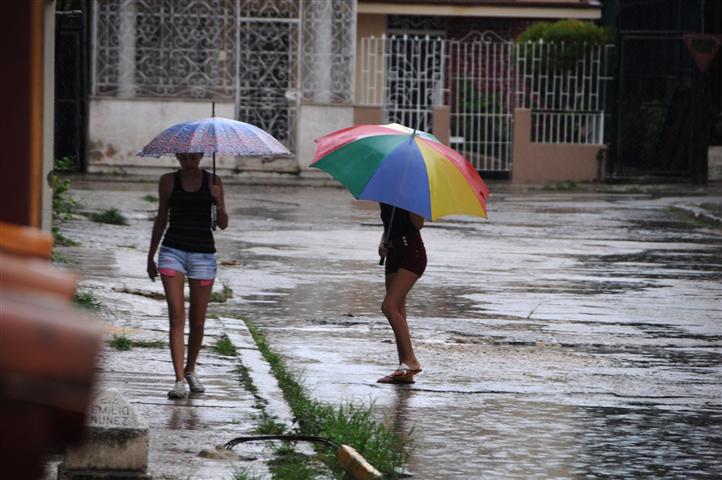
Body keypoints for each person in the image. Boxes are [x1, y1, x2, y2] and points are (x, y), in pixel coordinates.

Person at [146, 152, 228, 399]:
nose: (188, 162)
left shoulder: (214, 181)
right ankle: (178, 379)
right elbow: (161, 218)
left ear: (201, 156)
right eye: (183, 158)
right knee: (176, 316)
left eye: (192, 157)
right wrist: (150, 255)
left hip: (204, 255)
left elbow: (223, 224)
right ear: (178, 157)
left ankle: (191, 369)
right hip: (173, 252)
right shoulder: (167, 181)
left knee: (199, 322)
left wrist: (219, 201)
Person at [377, 202, 426, 383]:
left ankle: (411, 361)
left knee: (389, 306)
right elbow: (389, 225)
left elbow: (418, 224)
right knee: (398, 310)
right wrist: (382, 243)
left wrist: (408, 201)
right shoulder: (386, 195)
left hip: (412, 253)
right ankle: (404, 370)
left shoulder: (412, 194)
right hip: (393, 254)